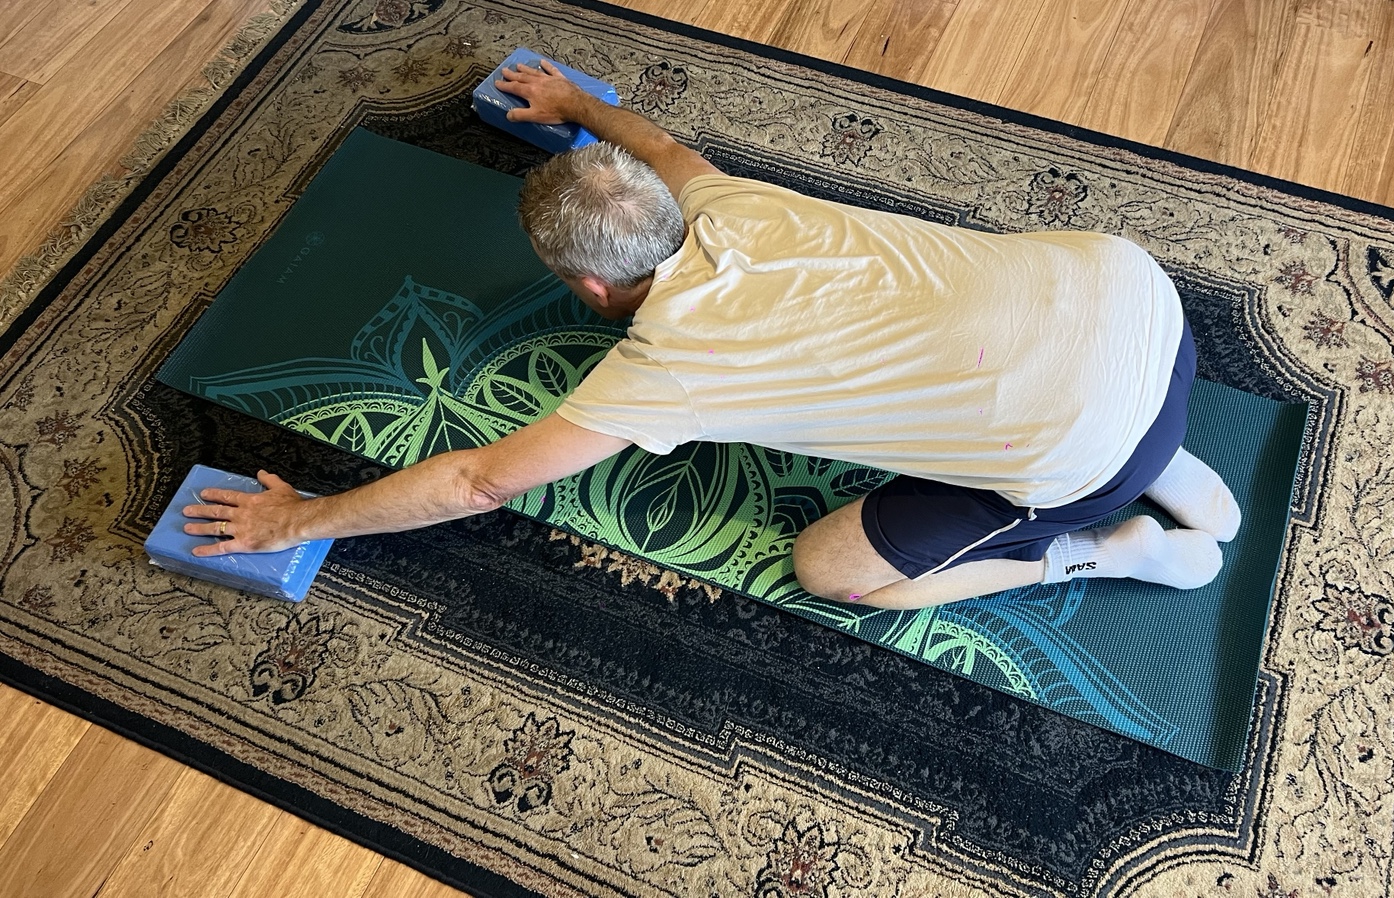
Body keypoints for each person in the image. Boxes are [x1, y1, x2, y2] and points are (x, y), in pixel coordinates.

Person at [184, 60, 1241, 611]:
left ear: (590, 284)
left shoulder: (663, 370)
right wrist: (572, 103)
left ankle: (1101, 551)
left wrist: (304, 519)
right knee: (1006, 326)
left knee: (835, 567)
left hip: (1083, 453)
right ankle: (1169, 451)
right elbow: (667, 146)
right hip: (1139, 293)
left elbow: (477, 481)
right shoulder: (736, 206)